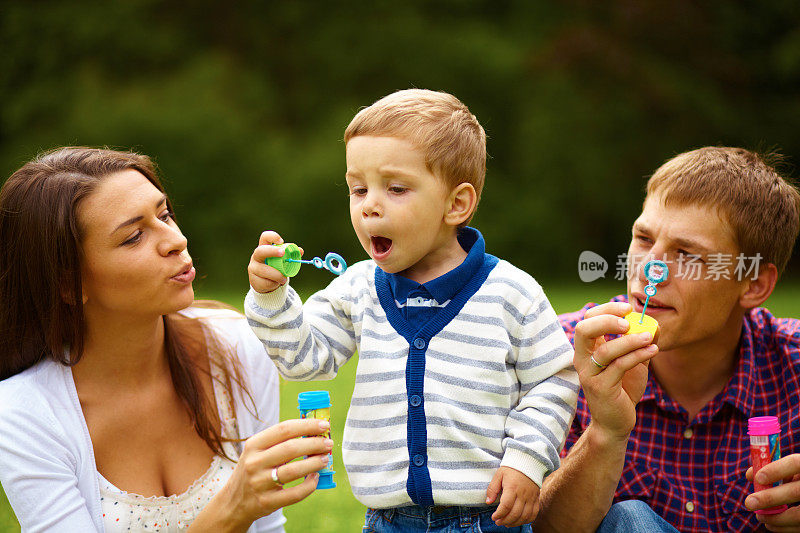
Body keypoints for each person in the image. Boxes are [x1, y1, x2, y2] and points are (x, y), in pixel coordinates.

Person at [244, 89, 579, 532]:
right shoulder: (358, 288)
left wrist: (526, 460)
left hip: (484, 519)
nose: (370, 205)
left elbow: (553, 381)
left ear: (456, 204)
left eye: (396, 188)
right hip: (388, 521)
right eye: (358, 189)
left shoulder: (510, 293)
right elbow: (304, 359)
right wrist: (272, 297)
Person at [0, 147, 333, 532]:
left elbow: (269, 528)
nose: (175, 240)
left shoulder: (238, 346)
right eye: (134, 236)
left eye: (165, 214)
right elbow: (244, 515)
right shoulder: (24, 415)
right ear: (68, 284)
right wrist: (231, 511)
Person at [535, 146, 800, 532]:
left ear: (754, 284)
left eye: (687, 254)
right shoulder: (563, 351)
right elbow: (539, 528)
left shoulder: (793, 366)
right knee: (630, 520)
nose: (648, 269)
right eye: (644, 239)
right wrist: (606, 433)